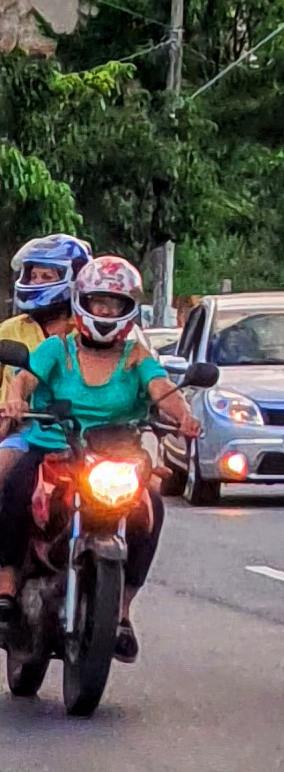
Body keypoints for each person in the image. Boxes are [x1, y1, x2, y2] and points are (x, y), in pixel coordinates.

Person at [0, 256, 193, 662]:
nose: (105, 312)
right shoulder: (58, 348)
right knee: (16, 485)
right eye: (99, 302)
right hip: (55, 445)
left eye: (115, 304)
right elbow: (26, 378)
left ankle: (121, 612)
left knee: (150, 508)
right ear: (82, 301)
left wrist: (185, 417)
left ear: (128, 310)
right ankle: (7, 586)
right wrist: (17, 399)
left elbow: (162, 390)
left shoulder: (137, 357)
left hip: (116, 454)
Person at [0, 237, 90, 373]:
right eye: (33, 276)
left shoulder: (86, 333)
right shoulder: (9, 330)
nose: (36, 283)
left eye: (46, 276)